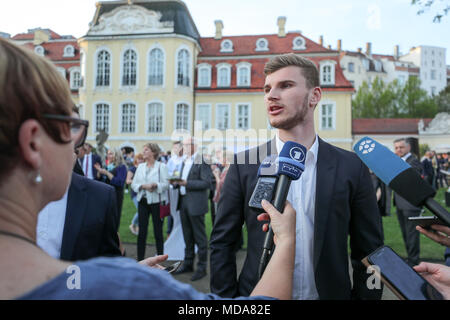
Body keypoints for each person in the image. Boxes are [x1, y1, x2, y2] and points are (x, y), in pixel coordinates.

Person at [0, 38, 298, 300]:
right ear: (33, 143)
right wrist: (285, 242)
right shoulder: (121, 285)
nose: (78, 144)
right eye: (70, 127)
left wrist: (115, 279)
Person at [210, 53, 384, 299]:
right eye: (267, 88)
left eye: (286, 85)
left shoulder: (351, 166)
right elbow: (222, 244)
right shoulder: (244, 164)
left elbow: (372, 252)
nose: (271, 95)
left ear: (314, 96)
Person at [171, 136, 213, 281]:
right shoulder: (185, 160)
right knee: (187, 236)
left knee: (200, 238)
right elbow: (182, 179)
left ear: (194, 145)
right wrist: (176, 182)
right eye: (184, 145)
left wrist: (186, 183)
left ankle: (202, 268)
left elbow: (207, 183)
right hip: (183, 203)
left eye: (187, 145)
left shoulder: (202, 160)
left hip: (196, 204)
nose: (184, 147)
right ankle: (188, 264)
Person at [131, 143, 169, 260]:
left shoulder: (161, 167)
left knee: (158, 232)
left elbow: (166, 184)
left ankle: (160, 259)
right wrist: (143, 186)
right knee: (142, 231)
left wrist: (155, 185)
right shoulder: (141, 167)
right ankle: (140, 259)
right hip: (143, 201)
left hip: (157, 202)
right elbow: (133, 184)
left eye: (146, 150)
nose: (143, 152)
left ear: (153, 152)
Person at [393, 138, 423, 267]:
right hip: (400, 204)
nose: (398, 150)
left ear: (408, 148)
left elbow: (410, 177)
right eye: (396, 148)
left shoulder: (413, 161)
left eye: (401, 147)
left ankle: (413, 261)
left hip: (410, 205)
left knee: (412, 235)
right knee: (406, 234)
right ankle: (410, 259)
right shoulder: (400, 161)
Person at [95, 148, 128, 230]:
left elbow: (119, 182)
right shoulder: (107, 166)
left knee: (113, 221)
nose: (108, 155)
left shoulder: (122, 167)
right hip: (105, 197)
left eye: (110, 154)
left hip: (115, 196)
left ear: (117, 155)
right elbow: (100, 181)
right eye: (108, 153)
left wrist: (106, 173)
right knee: (104, 220)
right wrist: (99, 172)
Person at [127, 153, 144, 236]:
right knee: (140, 210)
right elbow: (127, 181)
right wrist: (136, 182)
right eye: (139, 159)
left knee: (143, 210)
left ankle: (138, 227)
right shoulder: (132, 169)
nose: (140, 160)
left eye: (142, 159)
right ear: (136, 160)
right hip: (135, 193)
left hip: (143, 193)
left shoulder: (144, 168)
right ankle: (133, 224)